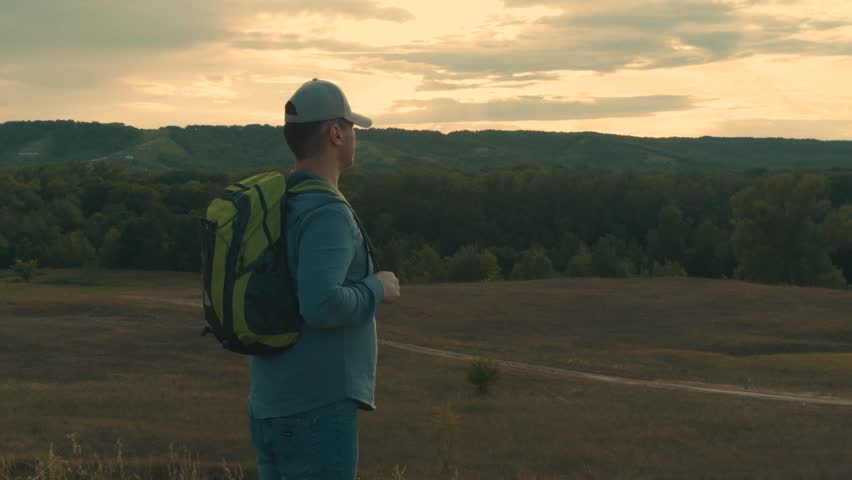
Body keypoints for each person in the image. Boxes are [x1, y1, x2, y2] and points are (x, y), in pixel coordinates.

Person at [248, 78, 401, 479]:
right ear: (335, 133)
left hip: (270, 401)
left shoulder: (281, 203)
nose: (353, 136)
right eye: (350, 128)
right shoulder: (327, 211)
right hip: (316, 408)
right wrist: (377, 288)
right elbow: (321, 304)